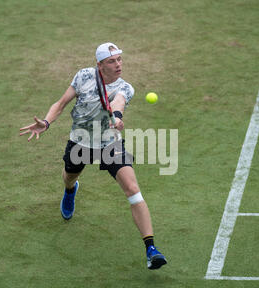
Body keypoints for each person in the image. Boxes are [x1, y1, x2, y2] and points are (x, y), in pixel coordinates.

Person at [19, 42, 167, 270]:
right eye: (112, 61)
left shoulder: (125, 87)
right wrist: (46, 123)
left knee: (133, 190)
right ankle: (70, 191)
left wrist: (116, 117)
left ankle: (151, 249)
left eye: (119, 59)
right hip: (80, 141)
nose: (118, 64)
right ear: (100, 65)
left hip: (110, 144)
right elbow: (60, 104)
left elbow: (118, 103)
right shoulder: (83, 76)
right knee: (69, 177)